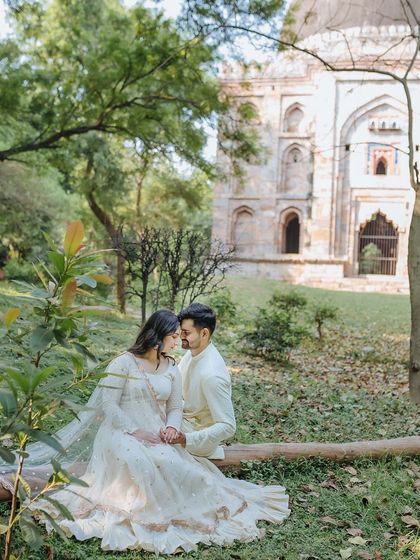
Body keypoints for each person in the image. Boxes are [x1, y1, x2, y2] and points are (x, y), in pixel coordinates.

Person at [0, 310, 290, 555]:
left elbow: (175, 406)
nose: (179, 341)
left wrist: (172, 426)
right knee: (139, 463)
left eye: (180, 335)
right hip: (120, 432)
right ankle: (145, 515)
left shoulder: (171, 367)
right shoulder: (123, 363)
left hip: (157, 431)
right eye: (174, 335)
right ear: (157, 336)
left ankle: (185, 511)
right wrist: (135, 431)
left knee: (183, 468)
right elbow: (108, 405)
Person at [166, 303, 235, 460]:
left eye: (186, 332)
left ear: (204, 333)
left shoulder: (212, 375)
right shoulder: (193, 353)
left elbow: (228, 426)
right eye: (180, 331)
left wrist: (186, 438)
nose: (180, 336)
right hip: (182, 416)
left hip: (195, 437)